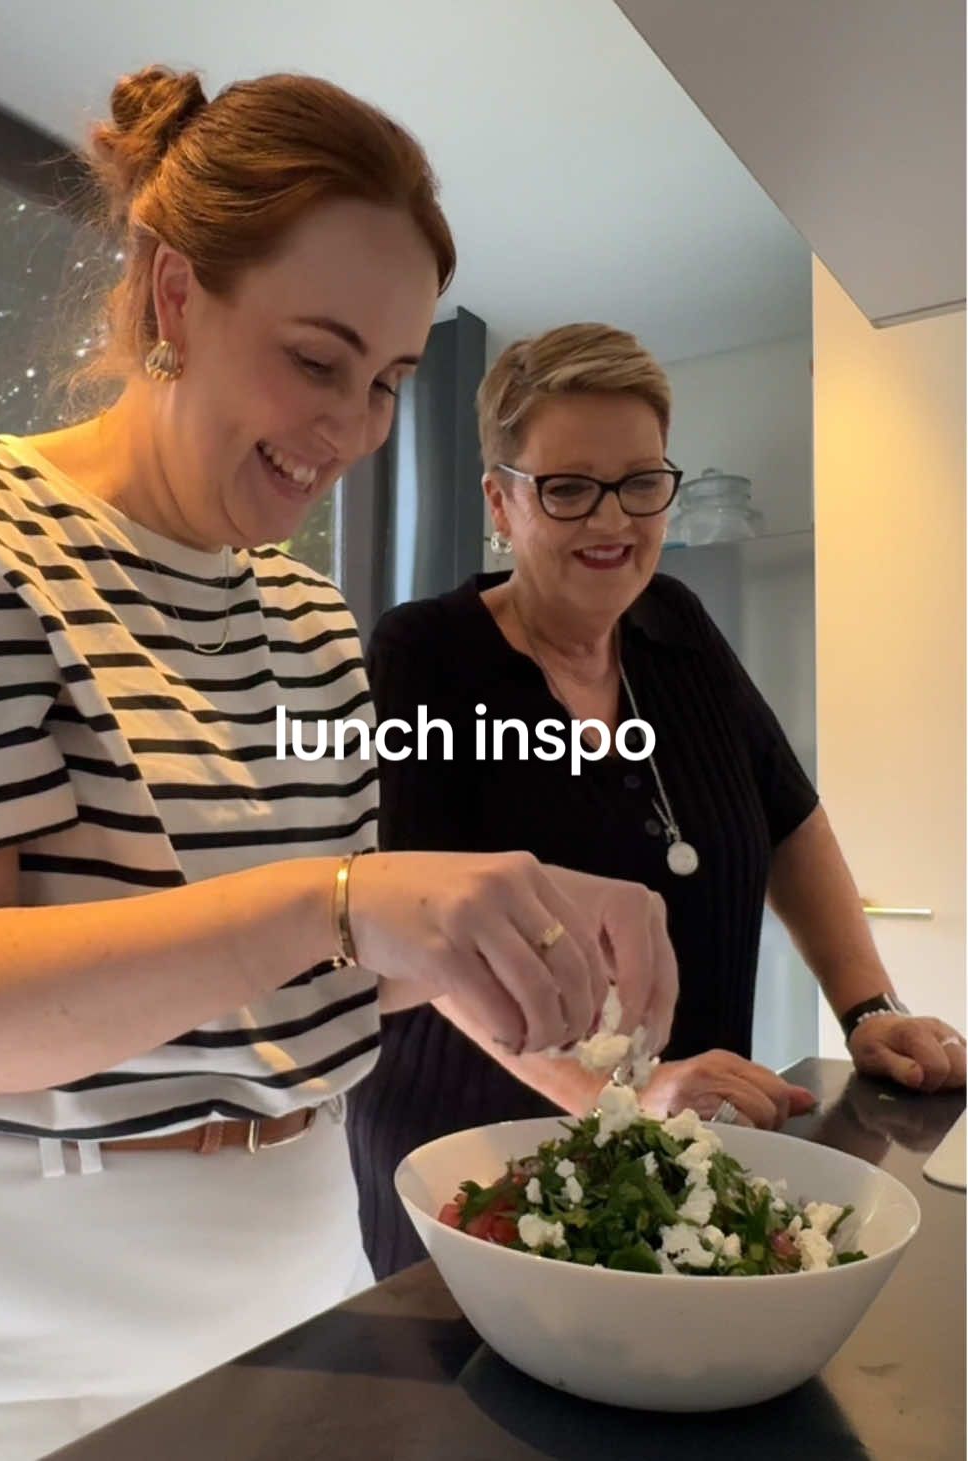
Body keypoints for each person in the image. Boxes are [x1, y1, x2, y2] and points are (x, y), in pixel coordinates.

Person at [0, 79, 678, 1461]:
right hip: (32, 1316)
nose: (352, 430)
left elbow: (330, 962)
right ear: (176, 297)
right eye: (318, 358)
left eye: (392, 384)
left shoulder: (301, 617)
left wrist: (539, 965)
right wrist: (340, 896)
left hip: (305, 1252)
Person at [346, 321, 966, 1279]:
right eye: (566, 488)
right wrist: (618, 1094)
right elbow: (426, 941)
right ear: (500, 504)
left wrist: (866, 1008)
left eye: (640, 482)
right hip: (482, 1157)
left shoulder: (676, 625)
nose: (611, 522)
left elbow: (788, 816)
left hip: (692, 1133)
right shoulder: (424, 654)